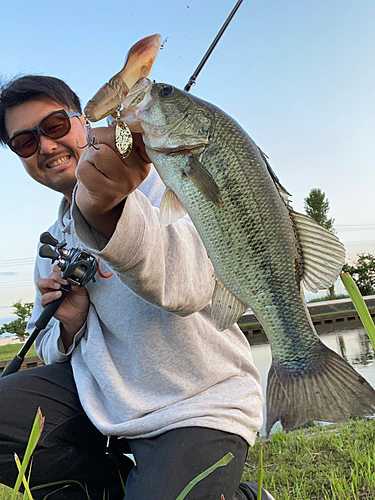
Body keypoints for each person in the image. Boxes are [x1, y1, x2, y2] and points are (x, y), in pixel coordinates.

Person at [0, 75, 275, 500]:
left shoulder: (171, 187)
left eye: (55, 126)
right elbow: (51, 350)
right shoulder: (51, 242)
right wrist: (70, 324)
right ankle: (115, 488)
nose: (46, 146)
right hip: (102, 403)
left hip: (195, 403)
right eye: (25, 142)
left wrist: (108, 212)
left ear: (85, 120)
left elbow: (189, 288)